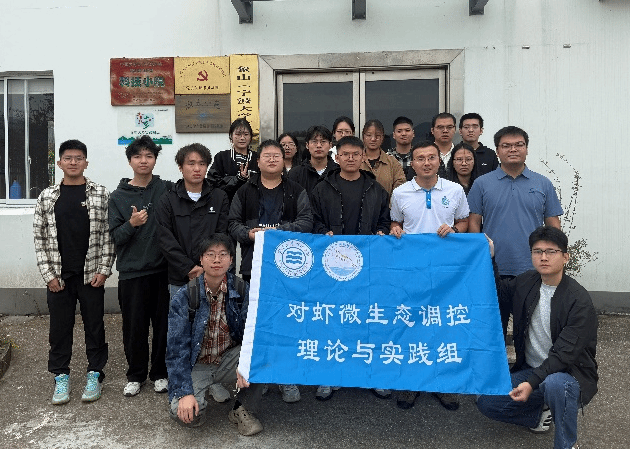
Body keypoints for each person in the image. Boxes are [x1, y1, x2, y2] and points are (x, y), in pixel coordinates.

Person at [477, 226, 597, 449]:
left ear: (565, 257)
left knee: (555, 384)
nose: (543, 257)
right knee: (487, 402)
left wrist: (531, 384)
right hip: (532, 369)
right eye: (537, 251)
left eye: (551, 251)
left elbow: (563, 356)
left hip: (568, 374)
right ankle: (539, 412)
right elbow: (498, 294)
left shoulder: (579, 301)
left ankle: (566, 444)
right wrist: (489, 257)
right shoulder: (527, 282)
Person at [389, 140, 469, 411]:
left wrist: (455, 230)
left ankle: (442, 384)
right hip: (412, 271)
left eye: (431, 158)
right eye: (420, 158)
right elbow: (396, 222)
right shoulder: (400, 193)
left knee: (442, 326)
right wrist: (395, 229)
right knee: (411, 325)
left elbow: (464, 221)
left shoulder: (455, 190)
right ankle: (411, 383)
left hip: (446, 272)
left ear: (439, 161)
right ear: (412, 163)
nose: (426, 163)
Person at [33, 139, 114, 405]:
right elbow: (39, 238)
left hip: (91, 275)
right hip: (59, 276)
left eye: (78, 158)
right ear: (59, 163)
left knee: (95, 326)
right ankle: (60, 376)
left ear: (86, 163)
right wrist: (48, 275)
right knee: (59, 329)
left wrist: (104, 270)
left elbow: (108, 236)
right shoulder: (47, 196)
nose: (73, 162)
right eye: (68, 158)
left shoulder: (100, 194)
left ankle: (95, 373)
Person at [310, 135, 390, 400]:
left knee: (367, 320)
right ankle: (329, 375)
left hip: (367, 267)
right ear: (337, 157)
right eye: (345, 154)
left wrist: (382, 231)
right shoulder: (322, 189)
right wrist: (322, 232)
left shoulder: (375, 188)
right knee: (332, 320)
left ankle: (372, 374)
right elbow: (313, 220)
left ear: (363, 157)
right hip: (333, 266)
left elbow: (385, 220)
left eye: (356, 154)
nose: (351, 158)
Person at [468, 126, 563, 336]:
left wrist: (556, 258)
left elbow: (553, 225)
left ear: (526, 149)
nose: (513, 149)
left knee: (531, 331)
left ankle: (526, 358)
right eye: (506, 146)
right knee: (494, 329)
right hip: (494, 269)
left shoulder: (543, 183)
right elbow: (473, 223)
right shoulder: (482, 184)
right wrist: (480, 256)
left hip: (532, 269)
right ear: (497, 150)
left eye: (519, 145)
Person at [166, 234, 264, 436]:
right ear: (201, 259)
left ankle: (242, 409)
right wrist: (184, 393)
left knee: (261, 358)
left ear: (231, 260)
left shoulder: (242, 290)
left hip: (229, 358)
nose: (217, 260)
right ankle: (197, 397)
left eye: (222, 254)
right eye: (210, 254)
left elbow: (253, 333)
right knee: (183, 413)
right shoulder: (185, 296)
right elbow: (176, 350)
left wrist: (246, 362)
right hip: (198, 364)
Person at [156, 143, 231, 404]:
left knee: (214, 330)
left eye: (201, 163)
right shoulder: (168, 199)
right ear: (181, 167)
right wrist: (190, 268)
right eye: (191, 163)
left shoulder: (219, 197)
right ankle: (184, 380)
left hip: (214, 277)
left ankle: (214, 378)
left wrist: (209, 267)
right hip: (181, 278)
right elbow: (164, 238)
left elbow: (222, 234)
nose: (197, 168)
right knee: (183, 333)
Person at [108, 135, 171, 397]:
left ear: (155, 159)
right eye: (137, 156)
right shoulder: (118, 196)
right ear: (130, 161)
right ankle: (135, 375)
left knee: (163, 326)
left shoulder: (166, 189)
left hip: (163, 271)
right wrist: (131, 224)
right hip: (132, 273)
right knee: (134, 328)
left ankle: (160, 373)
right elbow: (115, 237)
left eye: (149, 156)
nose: (143, 161)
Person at [207, 118, 259, 202]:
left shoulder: (257, 158)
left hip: (252, 204)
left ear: (250, 137)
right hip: (226, 204)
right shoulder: (222, 157)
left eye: (246, 134)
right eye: (238, 134)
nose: (242, 138)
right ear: (231, 136)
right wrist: (238, 179)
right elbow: (213, 183)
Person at [287, 125, 338, 200]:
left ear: (330, 145)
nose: (319, 145)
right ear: (307, 145)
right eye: (314, 142)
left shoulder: (338, 172)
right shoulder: (295, 174)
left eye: (323, 142)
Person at [360, 119, 406, 198]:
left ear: (382, 138)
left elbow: (400, 189)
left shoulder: (392, 162)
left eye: (377, 136)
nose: (373, 139)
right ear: (363, 137)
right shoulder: (356, 160)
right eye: (369, 135)